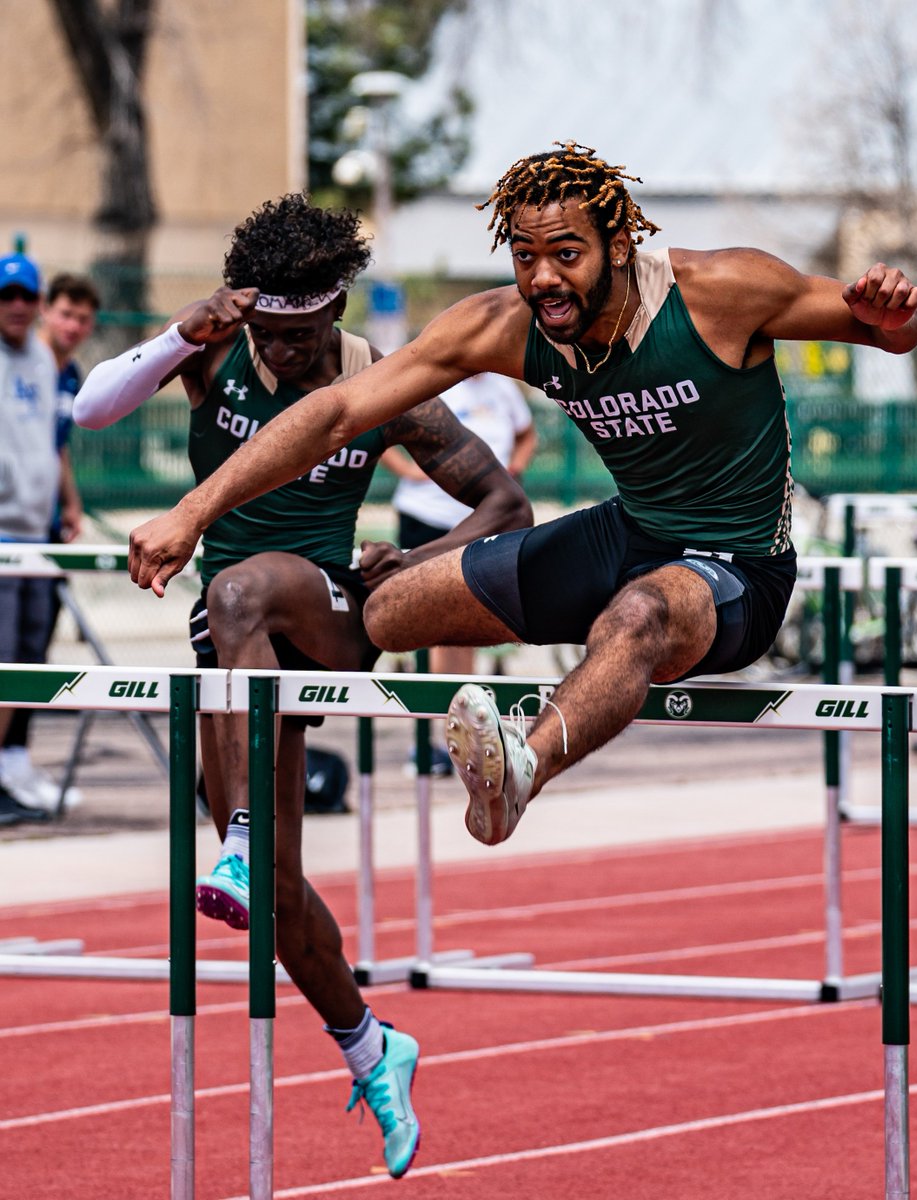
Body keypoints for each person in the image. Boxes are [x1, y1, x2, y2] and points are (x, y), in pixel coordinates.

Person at [125, 140, 917, 847]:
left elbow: (887, 332)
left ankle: (521, 768)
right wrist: (192, 514)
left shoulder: (720, 293)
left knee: (641, 614)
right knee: (389, 610)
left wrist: (897, 310)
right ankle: (291, 751)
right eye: (524, 256)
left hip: (738, 566)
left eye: (567, 254)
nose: (544, 279)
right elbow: (335, 410)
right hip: (630, 535)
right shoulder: (507, 325)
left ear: (619, 244)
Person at [75, 194, 531, 1178]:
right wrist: (176, 335)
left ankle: (242, 842)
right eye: (271, 336)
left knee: (245, 585)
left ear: (334, 315)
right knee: (275, 895)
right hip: (231, 648)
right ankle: (373, 1048)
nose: (285, 355)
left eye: (303, 336)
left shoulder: (380, 377)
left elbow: (507, 500)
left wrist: (419, 557)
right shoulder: (216, 348)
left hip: (326, 615)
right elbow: (90, 409)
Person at [381, 371, 537, 773]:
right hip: (429, 518)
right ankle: (433, 738)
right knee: (431, 628)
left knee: (465, 626)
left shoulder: (503, 389)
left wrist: (514, 469)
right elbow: (379, 431)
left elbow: (526, 433)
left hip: (482, 519)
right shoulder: (431, 385)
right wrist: (407, 470)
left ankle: (467, 733)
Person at [0, 273, 98, 812]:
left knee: (31, 656)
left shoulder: (50, 366)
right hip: (4, 533)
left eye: (25, 296)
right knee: (6, 657)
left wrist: (69, 502)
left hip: (36, 529)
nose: (17, 305)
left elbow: (52, 445)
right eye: (6, 295)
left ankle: (13, 762)